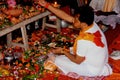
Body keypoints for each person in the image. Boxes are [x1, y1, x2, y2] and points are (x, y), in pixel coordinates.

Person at [37, 0, 112, 77]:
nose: (73, 20)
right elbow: (65, 16)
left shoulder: (84, 39)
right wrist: (47, 5)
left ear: (83, 24)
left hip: (92, 69)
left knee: (57, 60)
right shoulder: (91, 24)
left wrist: (63, 51)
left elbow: (77, 61)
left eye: (76, 19)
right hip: (97, 61)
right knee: (62, 56)